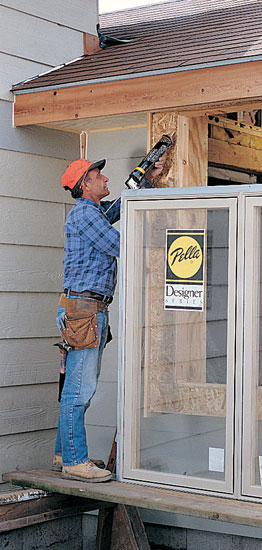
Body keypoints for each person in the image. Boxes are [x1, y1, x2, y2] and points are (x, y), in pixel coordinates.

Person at [53, 155, 165, 482]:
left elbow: (118, 209)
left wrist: (144, 180)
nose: (105, 179)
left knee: (75, 387)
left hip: (87, 309)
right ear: (85, 185)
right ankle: (75, 461)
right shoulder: (85, 216)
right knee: (79, 390)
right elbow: (123, 243)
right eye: (98, 176)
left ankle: (64, 455)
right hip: (85, 311)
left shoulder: (92, 213)